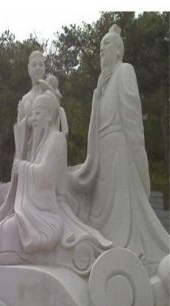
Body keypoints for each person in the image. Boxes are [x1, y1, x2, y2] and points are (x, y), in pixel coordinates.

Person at [0, 91, 111, 267]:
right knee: (5, 227)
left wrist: (22, 167)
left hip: (47, 211)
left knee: (8, 229)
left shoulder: (57, 139)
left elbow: (45, 177)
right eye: (32, 114)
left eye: (37, 113)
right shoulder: (41, 142)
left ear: (49, 115)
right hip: (34, 208)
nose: (33, 119)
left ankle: (23, 257)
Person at [68, 24, 169, 275]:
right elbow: (95, 126)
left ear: (118, 51)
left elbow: (132, 117)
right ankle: (104, 248)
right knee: (101, 210)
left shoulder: (125, 71)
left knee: (123, 210)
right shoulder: (101, 84)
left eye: (107, 45)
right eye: (100, 47)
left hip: (120, 151)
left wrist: (138, 155)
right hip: (103, 153)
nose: (102, 50)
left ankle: (129, 251)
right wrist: (96, 94)